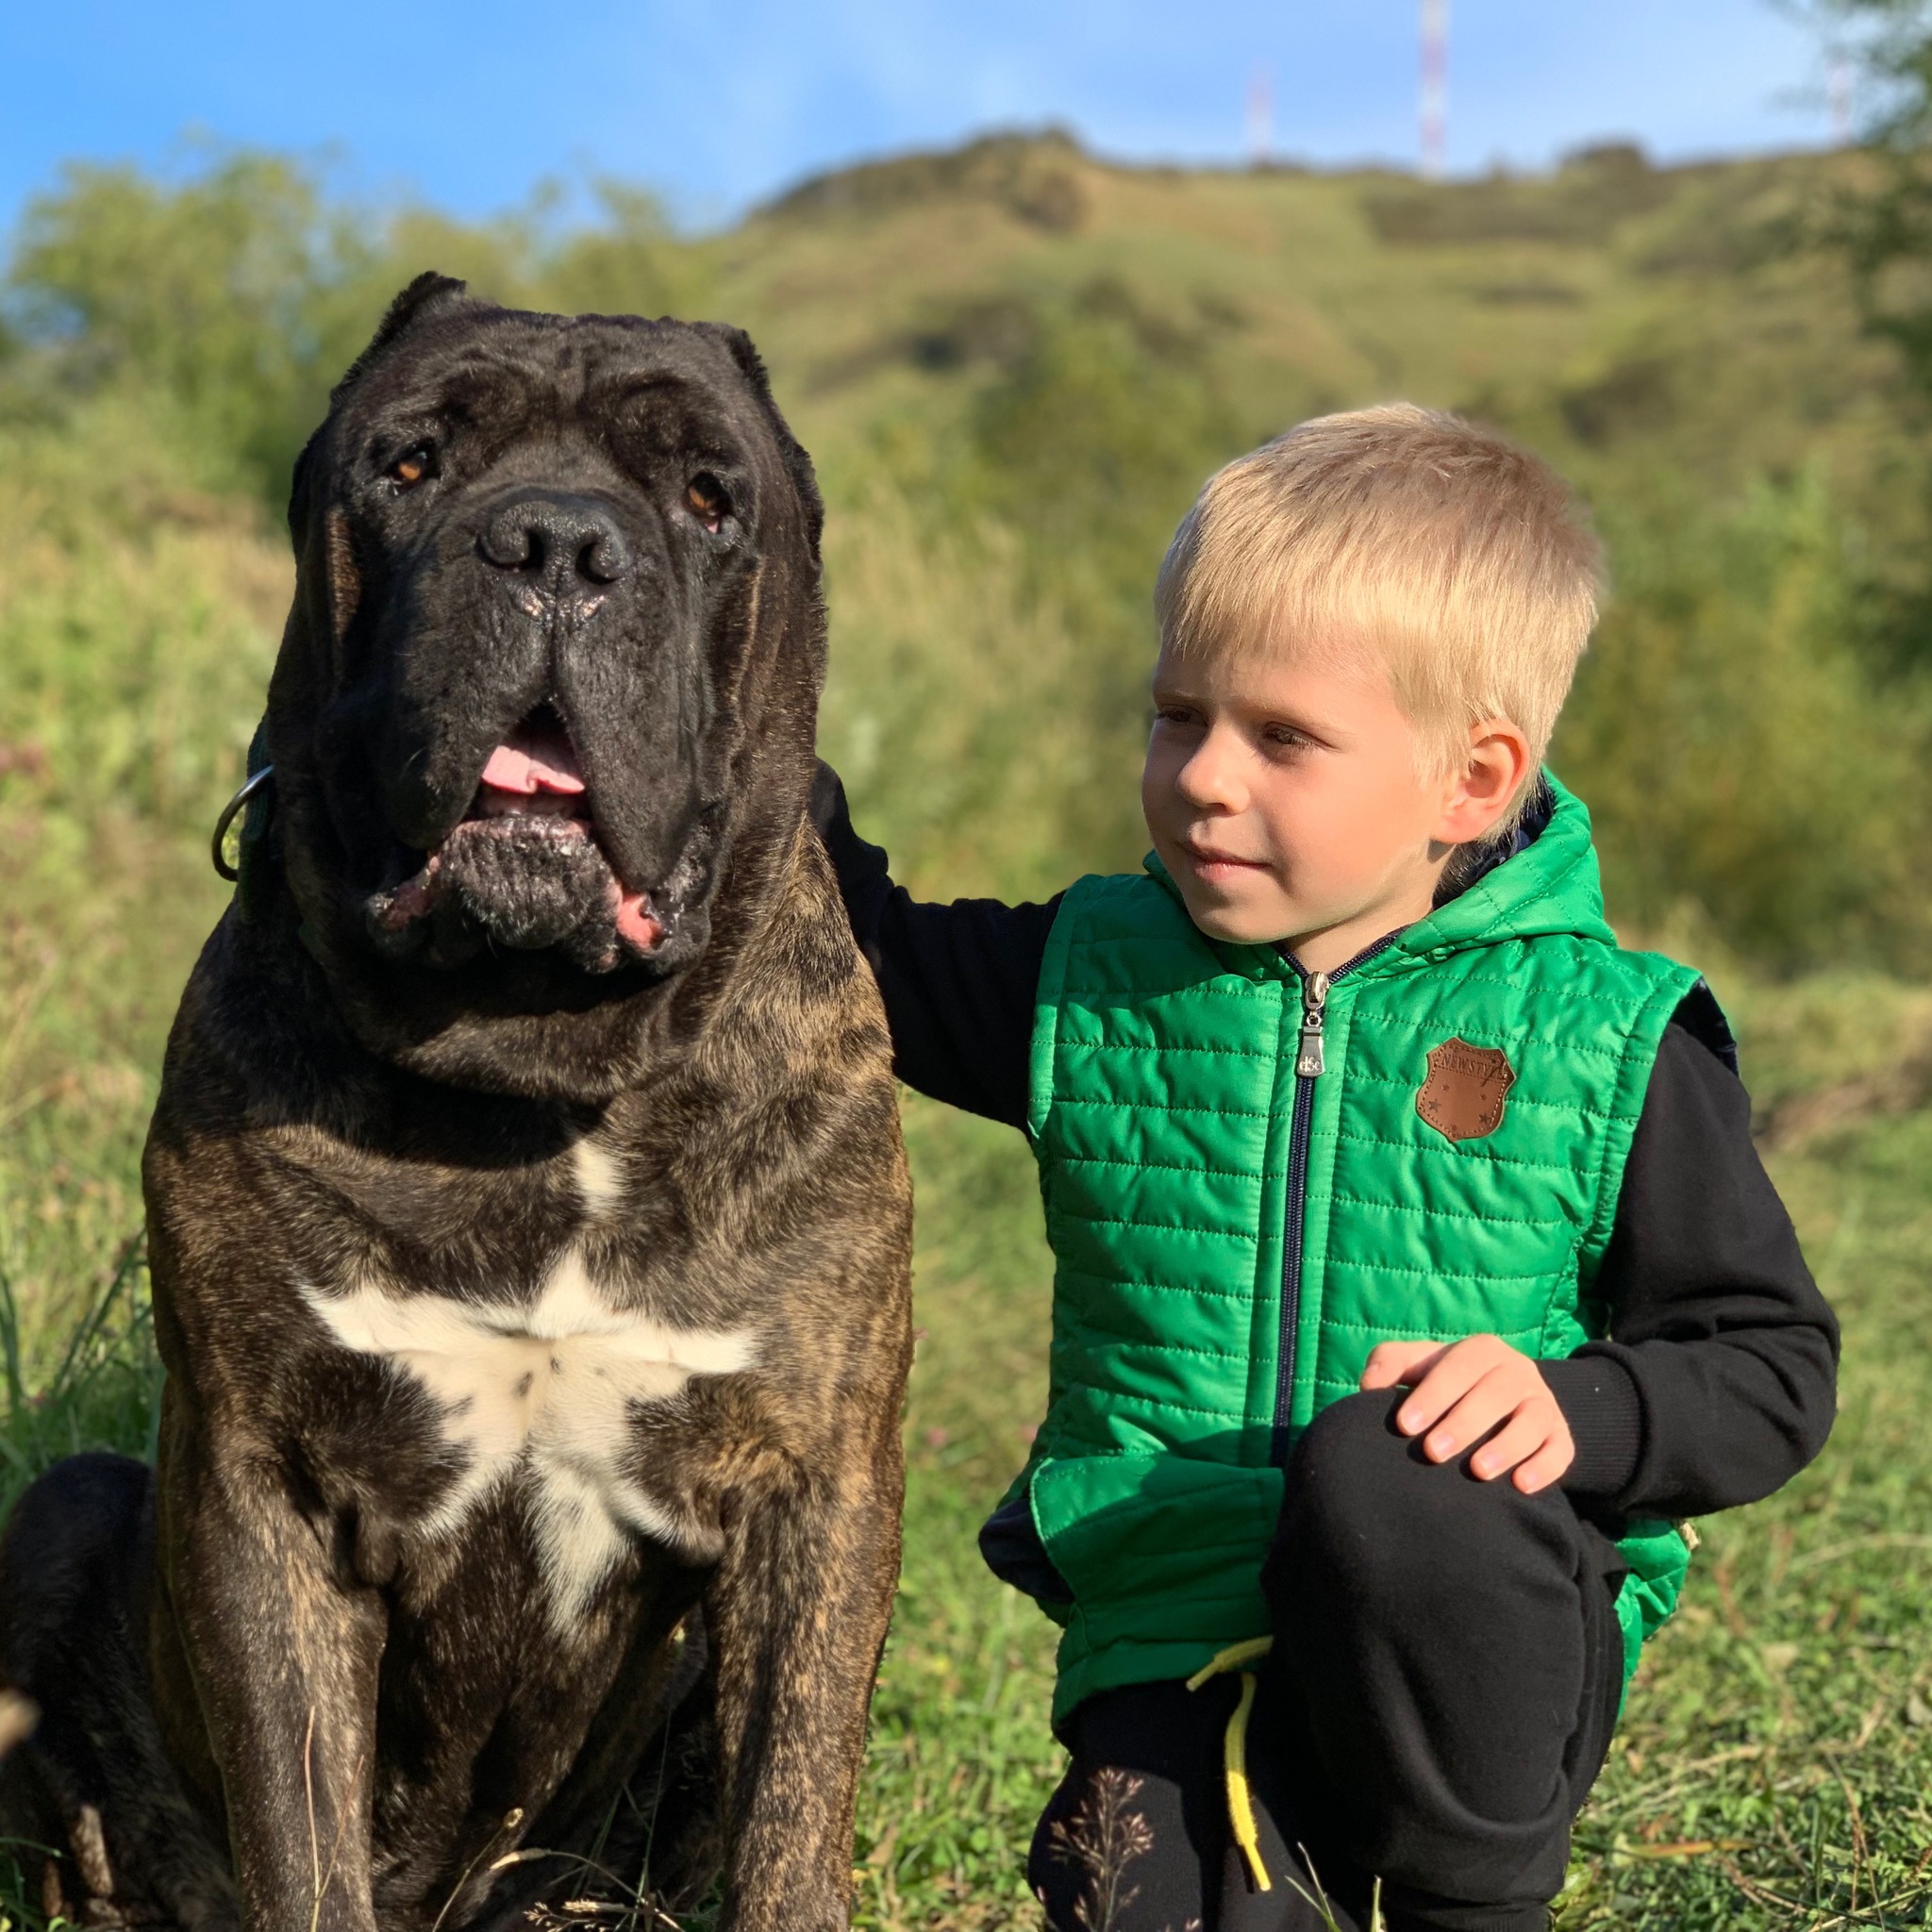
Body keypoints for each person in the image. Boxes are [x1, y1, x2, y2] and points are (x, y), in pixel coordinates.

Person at [812, 406, 1839, 1932]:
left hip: (1466, 1645)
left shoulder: (1608, 1037)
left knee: (1400, 1464)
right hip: (1172, 1618)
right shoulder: (1090, 976)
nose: (1206, 777)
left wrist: (1574, 1408)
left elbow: (1769, 1367)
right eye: (1178, 715)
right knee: (1132, 1902)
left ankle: (1463, 1909)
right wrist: (730, 715)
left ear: (1471, 783)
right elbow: (854, 944)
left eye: (1283, 737)